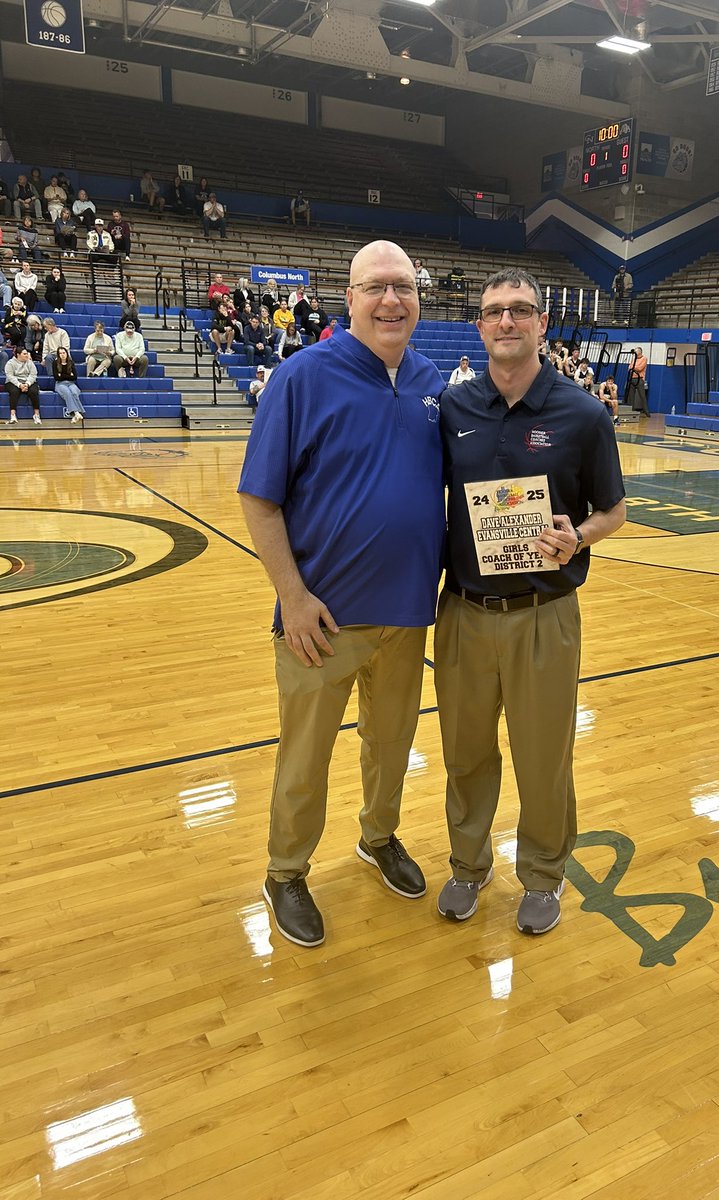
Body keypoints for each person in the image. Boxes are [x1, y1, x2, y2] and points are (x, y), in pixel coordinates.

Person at [237, 239, 445, 948]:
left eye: (404, 287)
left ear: (419, 297)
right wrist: (292, 597)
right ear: (348, 298)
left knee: (391, 746)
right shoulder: (302, 377)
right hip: (319, 620)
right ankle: (285, 872)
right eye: (376, 287)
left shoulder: (429, 381)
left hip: (408, 613)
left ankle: (378, 837)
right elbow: (259, 500)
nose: (392, 299)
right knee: (305, 759)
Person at [434, 267, 626, 936]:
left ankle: (543, 874)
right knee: (464, 753)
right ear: (480, 326)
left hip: (545, 615)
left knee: (543, 755)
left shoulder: (583, 413)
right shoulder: (452, 409)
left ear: (543, 323)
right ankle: (467, 862)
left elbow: (614, 510)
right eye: (495, 311)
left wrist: (580, 536)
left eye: (521, 309)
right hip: (461, 612)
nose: (508, 321)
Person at [5, 345, 41, 423]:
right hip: (13, 382)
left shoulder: (30, 362)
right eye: (24, 354)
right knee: (14, 391)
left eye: (27, 354)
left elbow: (33, 374)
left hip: (27, 381)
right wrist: (19, 385)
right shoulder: (10, 363)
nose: (27, 355)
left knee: (34, 391)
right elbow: (10, 376)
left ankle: (36, 415)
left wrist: (27, 384)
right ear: (18, 355)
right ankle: (13, 415)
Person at [53, 346, 85, 422]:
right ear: (58, 355)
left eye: (63, 353)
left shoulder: (71, 362)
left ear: (67, 353)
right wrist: (68, 375)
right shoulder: (55, 363)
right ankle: (77, 412)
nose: (62, 355)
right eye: (60, 353)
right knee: (67, 392)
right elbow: (57, 378)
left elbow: (74, 377)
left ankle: (75, 415)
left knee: (74, 392)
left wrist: (62, 375)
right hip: (60, 384)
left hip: (71, 383)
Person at [628, 347, 650, 415]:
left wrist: (633, 368)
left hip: (640, 378)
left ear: (640, 352)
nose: (635, 353)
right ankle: (631, 410)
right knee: (631, 395)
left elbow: (640, 368)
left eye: (636, 351)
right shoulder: (633, 359)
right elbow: (629, 367)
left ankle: (646, 411)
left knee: (642, 395)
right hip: (632, 378)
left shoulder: (644, 359)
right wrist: (633, 368)